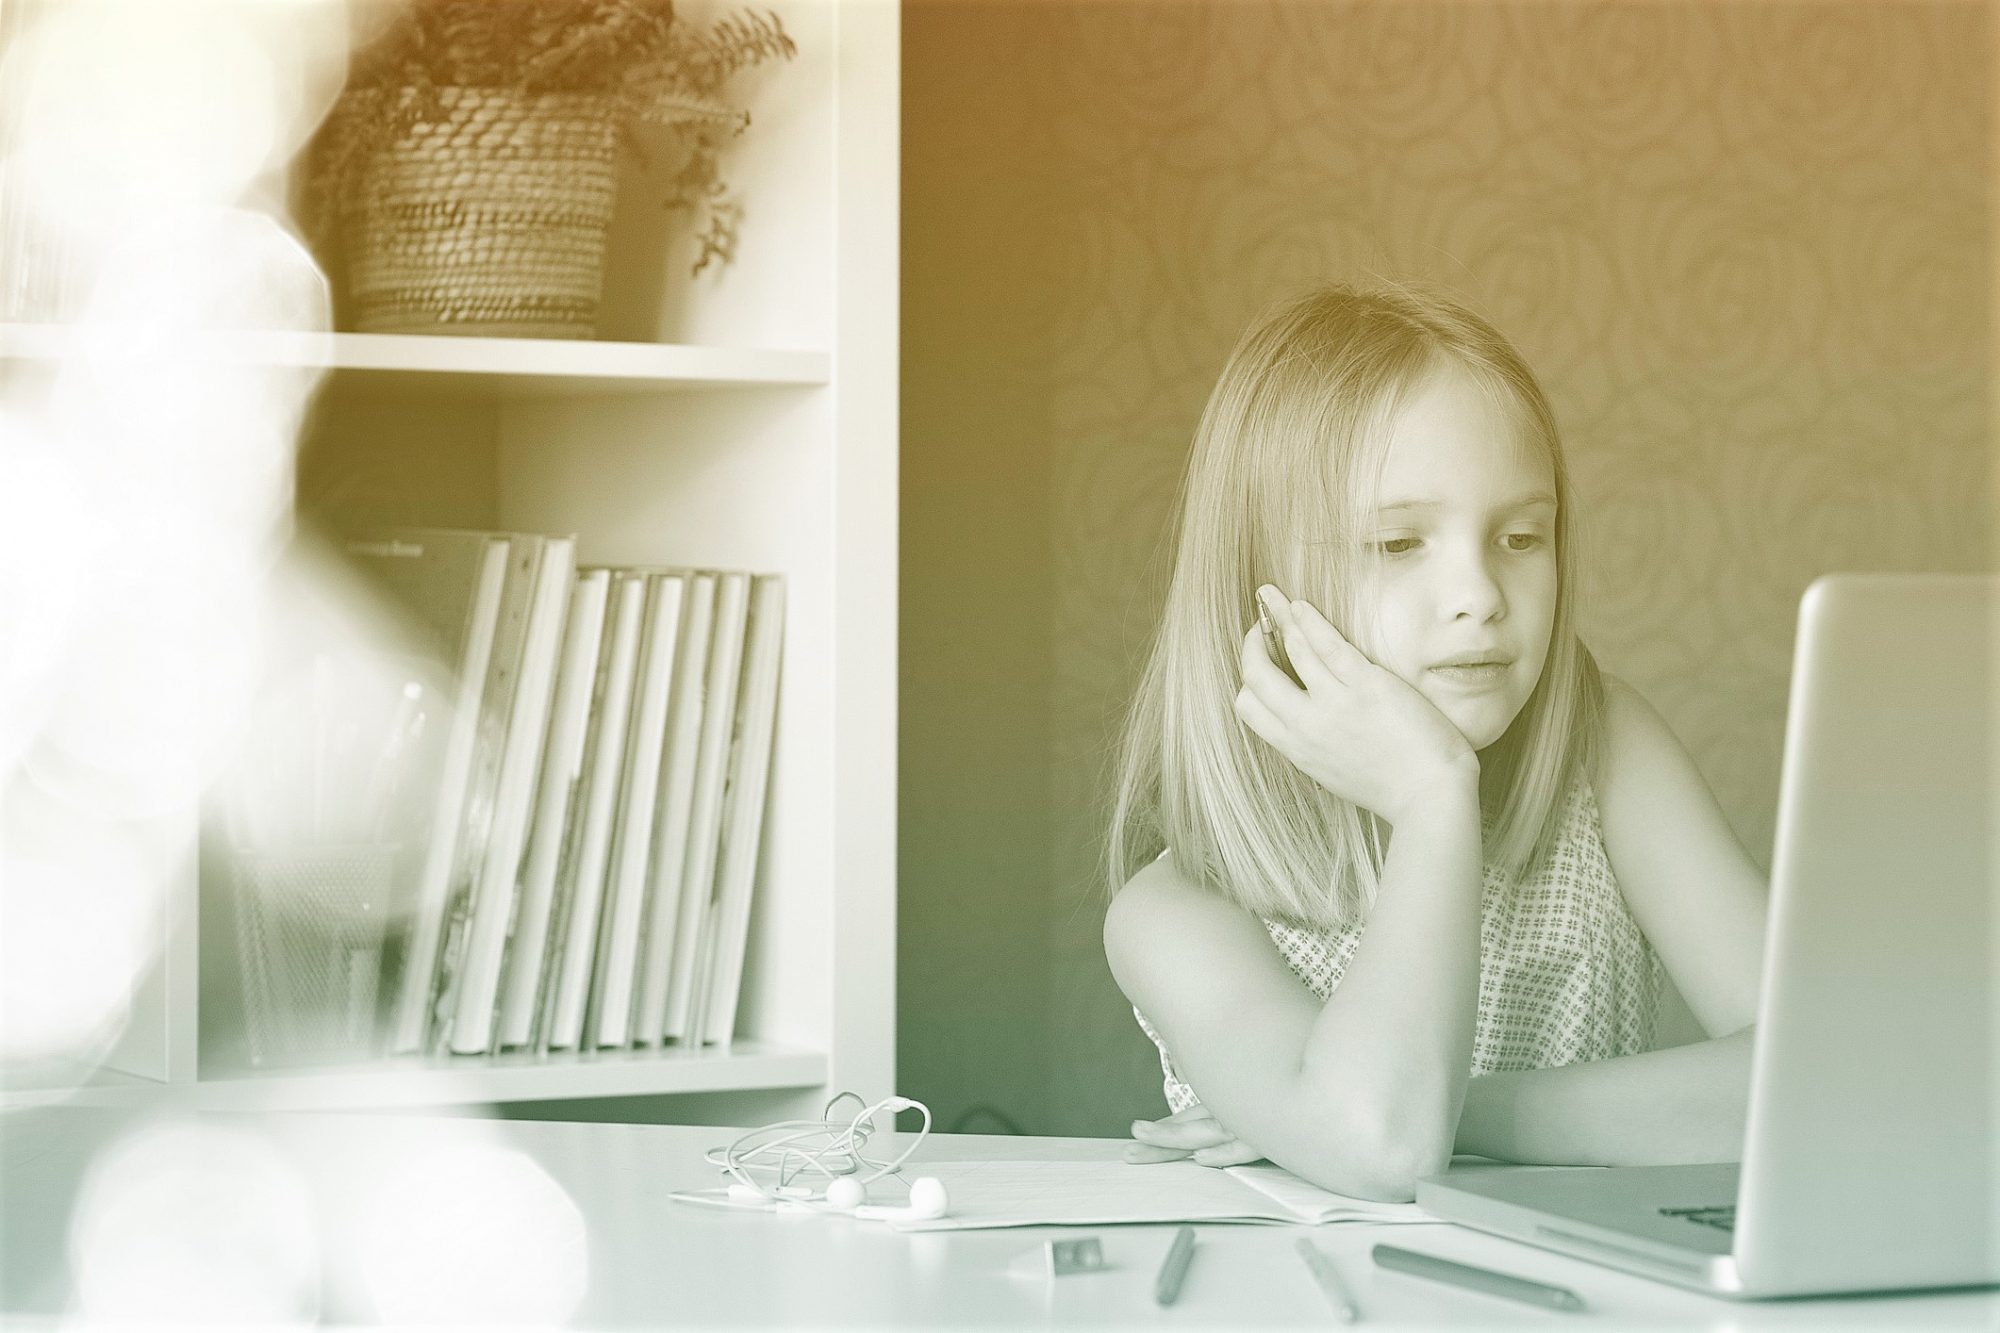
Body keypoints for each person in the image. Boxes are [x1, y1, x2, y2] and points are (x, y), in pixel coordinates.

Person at [1101, 282, 1768, 1203]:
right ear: (1257, 580)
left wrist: (1467, 1109)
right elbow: (1381, 1147)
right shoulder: (1177, 909)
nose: (1481, 594)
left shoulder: (1605, 752)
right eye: (1399, 543)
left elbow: (1818, 1079)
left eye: (1523, 536)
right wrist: (1432, 797)